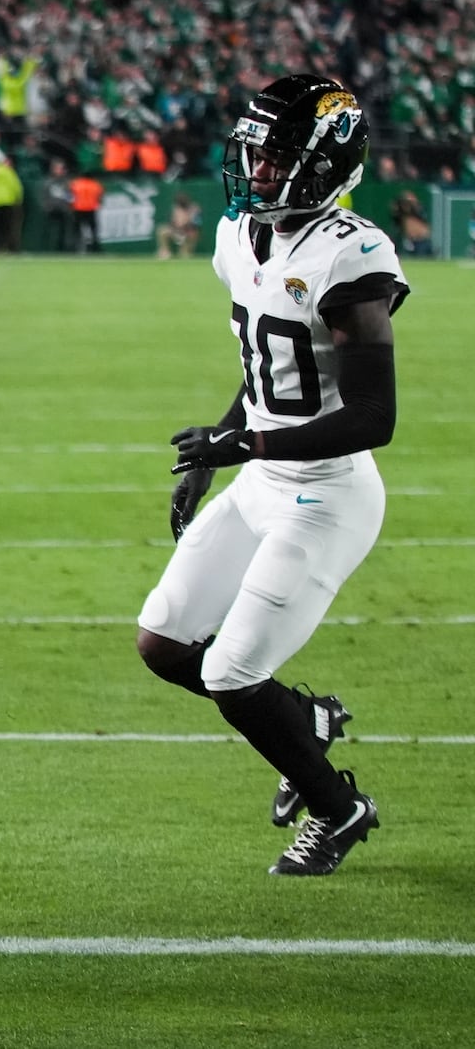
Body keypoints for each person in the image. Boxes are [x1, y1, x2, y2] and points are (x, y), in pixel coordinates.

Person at [136, 75, 406, 877]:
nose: (256, 170)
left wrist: (245, 446)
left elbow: (373, 417)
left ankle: (338, 807)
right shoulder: (237, 237)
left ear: (326, 163)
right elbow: (266, 376)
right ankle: (307, 721)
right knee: (163, 642)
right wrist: (220, 449)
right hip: (260, 480)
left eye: (277, 155)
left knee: (230, 671)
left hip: (325, 495)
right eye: (254, 153)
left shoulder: (352, 255)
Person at [155, 191, 203, 258]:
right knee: (162, 230)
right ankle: (165, 251)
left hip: (189, 233)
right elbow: (172, 222)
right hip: (176, 232)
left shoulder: (194, 208)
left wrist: (186, 223)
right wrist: (176, 227)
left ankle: (185, 252)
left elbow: (196, 224)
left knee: (184, 255)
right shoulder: (176, 208)